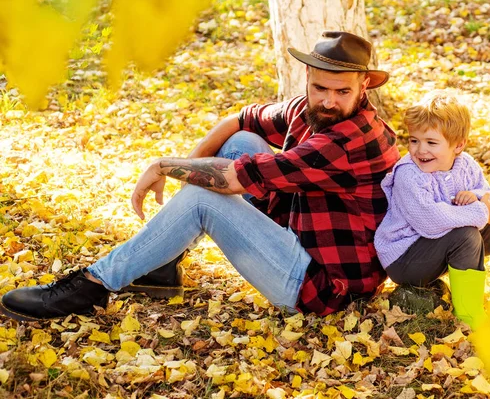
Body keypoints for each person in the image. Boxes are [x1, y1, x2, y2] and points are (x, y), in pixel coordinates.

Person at [0, 31, 400, 321]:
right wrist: (185, 172)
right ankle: (164, 263)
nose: (328, 101)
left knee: (206, 194)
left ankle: (91, 286)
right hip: (299, 236)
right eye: (319, 88)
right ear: (307, 78)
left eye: (342, 92)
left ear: (363, 85)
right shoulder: (308, 109)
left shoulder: (353, 138)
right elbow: (240, 119)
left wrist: (163, 166)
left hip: (326, 287)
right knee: (243, 140)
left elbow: (232, 180)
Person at [374, 91, 490, 330]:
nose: (420, 150)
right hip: (405, 258)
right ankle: (470, 318)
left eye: (431, 142)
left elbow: (487, 194)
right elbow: (430, 219)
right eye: (414, 140)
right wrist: (479, 211)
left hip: (437, 247)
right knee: (466, 235)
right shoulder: (409, 174)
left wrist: (477, 197)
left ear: (458, 145)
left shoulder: (465, 164)